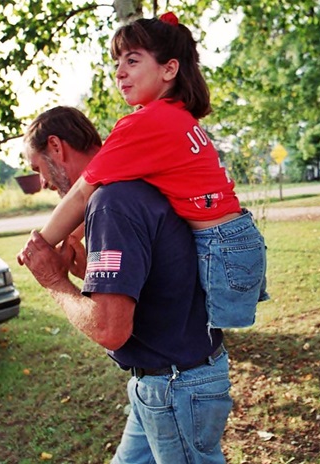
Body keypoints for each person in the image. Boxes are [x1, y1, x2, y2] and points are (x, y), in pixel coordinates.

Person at [17, 106, 270, 464]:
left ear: (57, 147)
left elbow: (112, 329)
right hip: (171, 380)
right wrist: (81, 264)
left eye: (38, 169)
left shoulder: (112, 202)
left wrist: (55, 284)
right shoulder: (141, 182)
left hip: (175, 388)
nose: (44, 184)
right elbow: (148, 276)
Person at [19, 12, 268, 331]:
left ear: (169, 68)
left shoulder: (144, 124)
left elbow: (83, 192)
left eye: (133, 61)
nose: (120, 73)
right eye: (117, 64)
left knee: (187, 339)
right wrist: (72, 237)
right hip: (235, 237)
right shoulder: (176, 116)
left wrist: (40, 244)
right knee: (194, 337)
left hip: (219, 248)